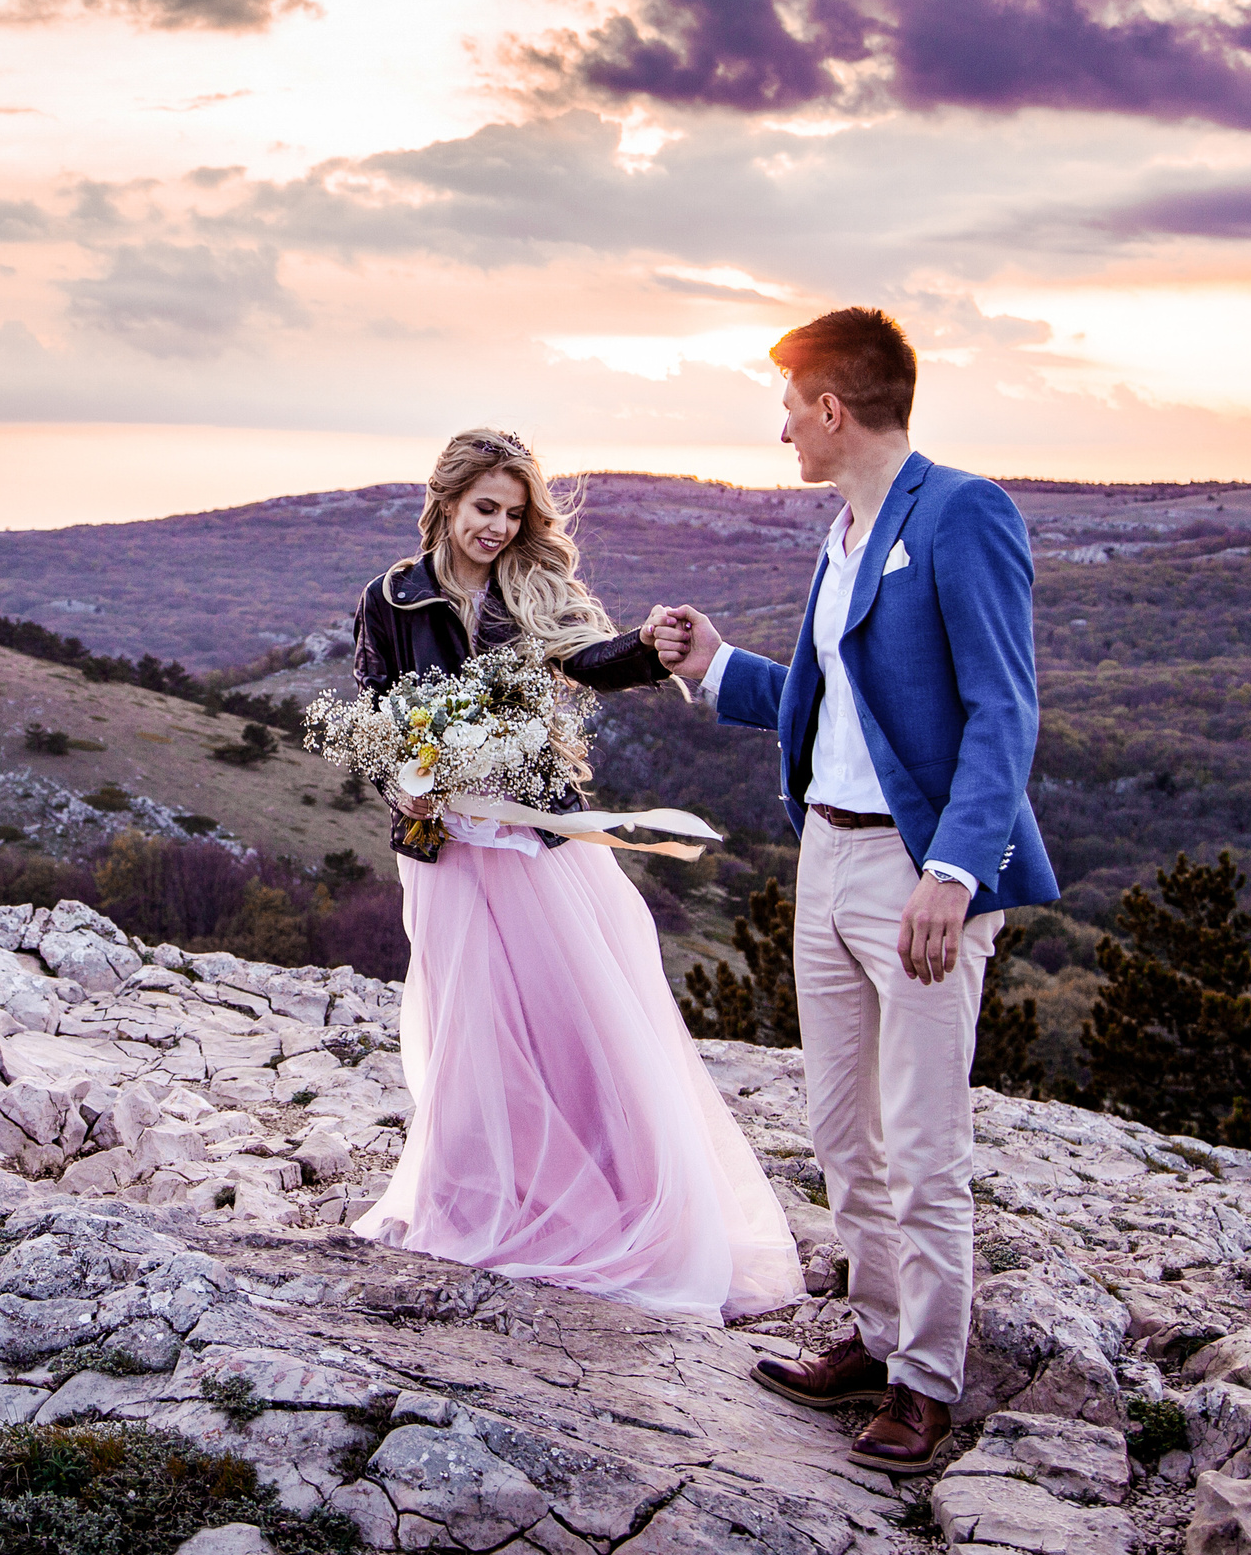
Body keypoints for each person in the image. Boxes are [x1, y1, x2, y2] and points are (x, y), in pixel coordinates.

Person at [650, 308, 1056, 1473]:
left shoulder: (964, 512)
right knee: (840, 1129)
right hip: (823, 860)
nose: (779, 431)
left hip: (916, 872)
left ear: (832, 408)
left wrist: (952, 871)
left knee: (923, 1138)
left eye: (788, 408)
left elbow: (1001, 709)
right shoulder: (839, 534)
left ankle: (929, 1383)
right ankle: (877, 1342)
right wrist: (716, 664)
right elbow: (837, 707)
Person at [348, 428, 804, 1326]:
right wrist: (406, 780)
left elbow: (586, 656)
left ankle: (613, 1199)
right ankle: (476, 1197)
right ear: (446, 502)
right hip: (443, 846)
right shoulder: (391, 598)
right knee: (468, 1023)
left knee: (572, 1014)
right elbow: (373, 712)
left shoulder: (526, 588)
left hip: (533, 841)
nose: (499, 528)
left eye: (515, 515)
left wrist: (650, 647)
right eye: (486, 509)